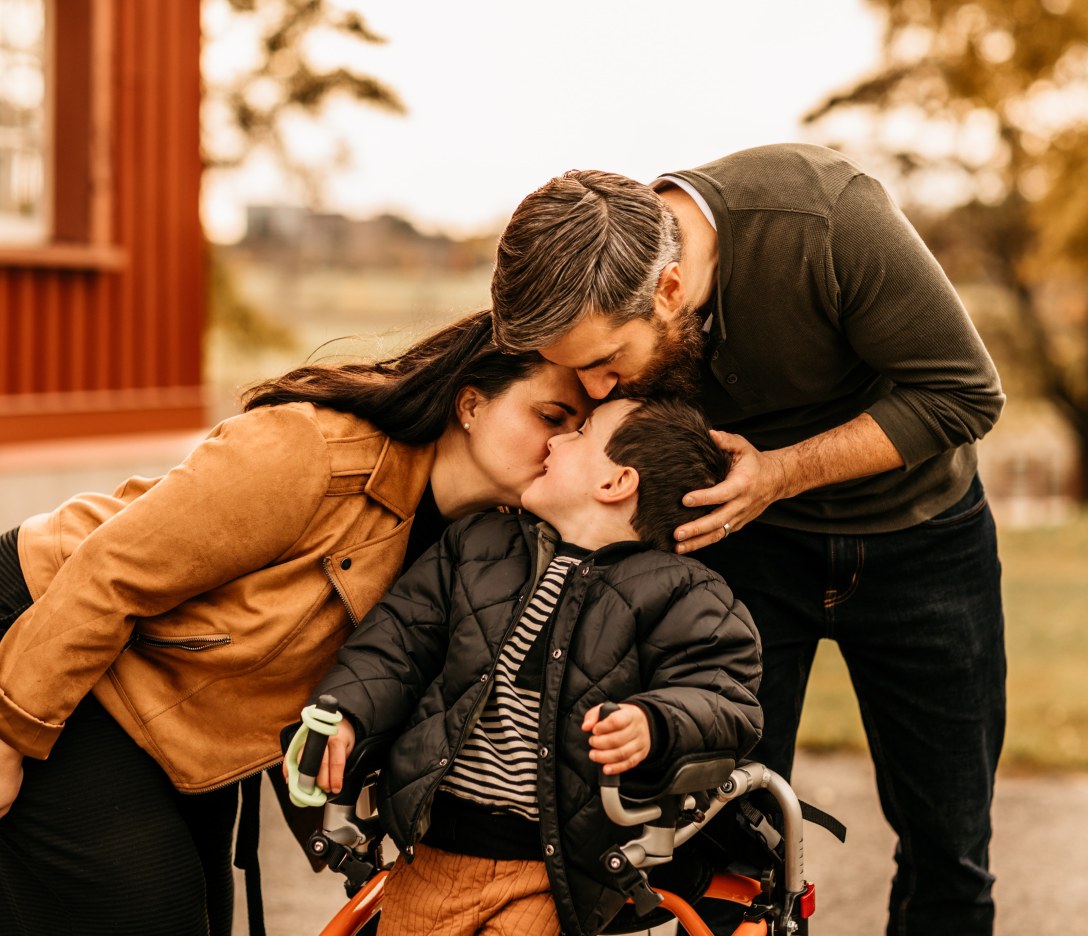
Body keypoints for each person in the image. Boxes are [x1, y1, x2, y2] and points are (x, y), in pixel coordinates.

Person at [488, 144, 1007, 936]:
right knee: (722, 848)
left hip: (923, 543)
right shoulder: (595, 274)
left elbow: (966, 393)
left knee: (950, 849)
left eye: (603, 365)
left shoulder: (827, 220)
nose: (595, 393)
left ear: (668, 288)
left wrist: (779, 474)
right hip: (743, 556)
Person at [0, 310, 591, 936]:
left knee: (199, 914)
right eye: (550, 418)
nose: (562, 447)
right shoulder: (317, 452)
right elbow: (110, 573)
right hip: (47, 633)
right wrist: (10, 732)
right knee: (149, 911)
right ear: (470, 404)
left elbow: (333, 681)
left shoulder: (482, 543)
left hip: (166, 695)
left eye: (581, 430)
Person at [294, 396, 763, 936]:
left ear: (616, 483)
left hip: (551, 868)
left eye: (580, 432)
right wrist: (349, 715)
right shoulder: (475, 545)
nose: (555, 441)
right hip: (431, 851)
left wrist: (653, 723)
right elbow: (394, 645)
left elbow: (723, 697)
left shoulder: (684, 593)